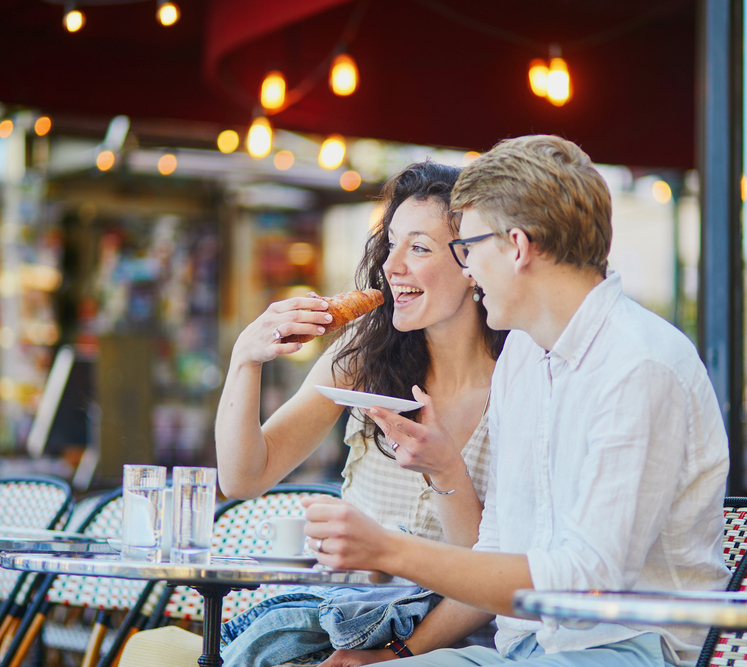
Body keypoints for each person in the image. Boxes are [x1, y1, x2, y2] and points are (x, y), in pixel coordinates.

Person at [301, 135, 731, 667]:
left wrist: (388, 550)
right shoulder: (525, 357)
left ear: (518, 247)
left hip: (629, 650)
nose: (469, 270)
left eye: (470, 248)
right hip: (522, 649)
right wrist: (394, 653)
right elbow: (497, 545)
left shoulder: (639, 366)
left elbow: (585, 584)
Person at [118, 161, 508, 667]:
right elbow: (243, 477)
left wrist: (394, 654)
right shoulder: (362, 361)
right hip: (341, 617)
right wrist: (245, 360)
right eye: (391, 244)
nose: (393, 267)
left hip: (449, 636)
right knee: (151, 650)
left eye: (419, 247)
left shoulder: (518, 386)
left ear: (472, 262)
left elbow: (494, 570)